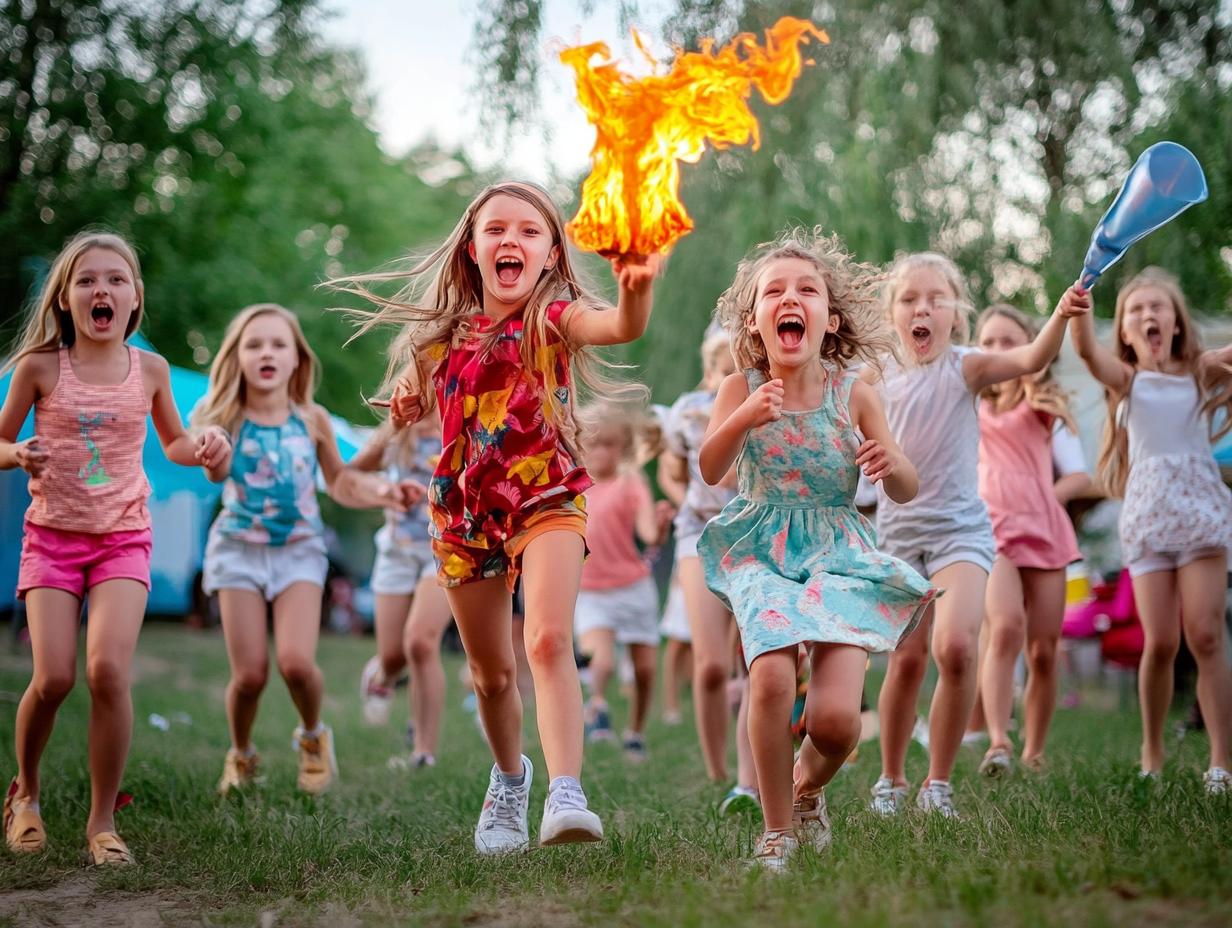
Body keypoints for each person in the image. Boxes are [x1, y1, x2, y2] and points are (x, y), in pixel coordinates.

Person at [340, 180, 659, 853]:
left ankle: (566, 793)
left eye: (529, 231)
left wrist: (635, 286)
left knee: (545, 640)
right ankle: (511, 779)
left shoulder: (554, 321)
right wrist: (403, 401)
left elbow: (622, 325)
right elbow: (416, 392)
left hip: (546, 496)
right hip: (462, 511)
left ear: (549, 255)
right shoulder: (439, 339)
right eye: (496, 229)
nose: (511, 239)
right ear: (472, 249)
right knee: (490, 674)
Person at [697, 228, 936, 870]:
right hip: (763, 548)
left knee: (836, 724)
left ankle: (806, 787)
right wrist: (745, 416)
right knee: (772, 678)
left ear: (829, 319)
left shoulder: (854, 392)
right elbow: (711, 468)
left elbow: (908, 489)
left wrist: (892, 463)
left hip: (838, 550)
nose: (790, 298)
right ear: (755, 318)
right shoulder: (738, 387)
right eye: (773, 290)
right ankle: (775, 832)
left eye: (807, 290)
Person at [0, 231, 231, 864]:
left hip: (123, 537)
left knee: (106, 672)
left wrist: (211, 451)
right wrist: (17, 453)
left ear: (134, 299)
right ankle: (27, 795)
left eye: (116, 279)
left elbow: (178, 445)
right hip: (52, 540)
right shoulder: (41, 367)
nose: (102, 289)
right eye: (87, 280)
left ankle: (103, 822)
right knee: (52, 677)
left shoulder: (150, 371)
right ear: (66, 299)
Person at [867, 252, 1089, 818]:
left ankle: (936, 784)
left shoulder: (966, 366)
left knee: (959, 647)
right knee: (908, 659)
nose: (923, 309)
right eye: (910, 299)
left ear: (955, 314)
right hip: (898, 533)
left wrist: (1062, 314)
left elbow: (1032, 355)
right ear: (893, 314)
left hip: (960, 533)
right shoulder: (876, 375)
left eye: (935, 299)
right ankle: (890, 778)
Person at [193, 303, 417, 797]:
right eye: (254, 345)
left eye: (278, 344)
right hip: (238, 551)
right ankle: (242, 753)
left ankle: (314, 737)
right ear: (238, 358)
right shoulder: (224, 417)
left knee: (296, 663)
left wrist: (383, 491)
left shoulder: (311, 420)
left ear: (297, 359)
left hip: (299, 551)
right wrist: (215, 456)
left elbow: (338, 482)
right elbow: (214, 470)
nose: (266, 353)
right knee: (249, 675)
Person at [1070, 267, 1232, 793]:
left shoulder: (1200, 372)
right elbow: (1089, 356)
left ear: (1177, 321)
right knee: (1158, 642)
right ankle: (1152, 753)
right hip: (1148, 522)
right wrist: (1081, 306)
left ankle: (1221, 763)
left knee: (1205, 636)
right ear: (1126, 331)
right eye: (1137, 310)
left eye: (1157, 306)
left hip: (1201, 515)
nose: (1148, 315)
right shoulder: (1128, 380)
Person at [975, 303, 1092, 776]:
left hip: (1044, 531)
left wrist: (1048, 496)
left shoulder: (1045, 407)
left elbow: (1080, 476)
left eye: (1009, 341)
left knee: (1043, 650)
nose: (998, 351)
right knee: (1003, 629)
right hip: (992, 531)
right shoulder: (970, 406)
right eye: (988, 342)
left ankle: (1034, 749)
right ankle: (998, 740)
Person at [661, 331, 758, 809]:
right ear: (709, 361)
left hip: (753, 534)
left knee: (753, 659)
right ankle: (715, 766)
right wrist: (682, 501)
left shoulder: (765, 397)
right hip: (697, 535)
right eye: (723, 363)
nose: (730, 371)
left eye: (738, 361)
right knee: (713, 663)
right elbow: (675, 471)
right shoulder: (687, 408)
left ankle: (748, 770)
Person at [351, 413, 454, 770]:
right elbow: (351, 475)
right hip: (396, 552)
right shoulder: (395, 431)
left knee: (421, 642)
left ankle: (423, 752)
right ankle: (382, 675)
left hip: (444, 551)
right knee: (394, 655)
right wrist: (385, 492)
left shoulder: (463, 417)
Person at [574, 400, 674, 759]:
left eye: (611, 443)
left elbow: (649, 534)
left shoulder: (631, 483)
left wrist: (661, 525)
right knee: (599, 660)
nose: (602, 451)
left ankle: (635, 732)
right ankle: (597, 708)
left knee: (645, 670)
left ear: (625, 446)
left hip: (633, 588)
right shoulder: (573, 485)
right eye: (594, 443)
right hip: (590, 591)